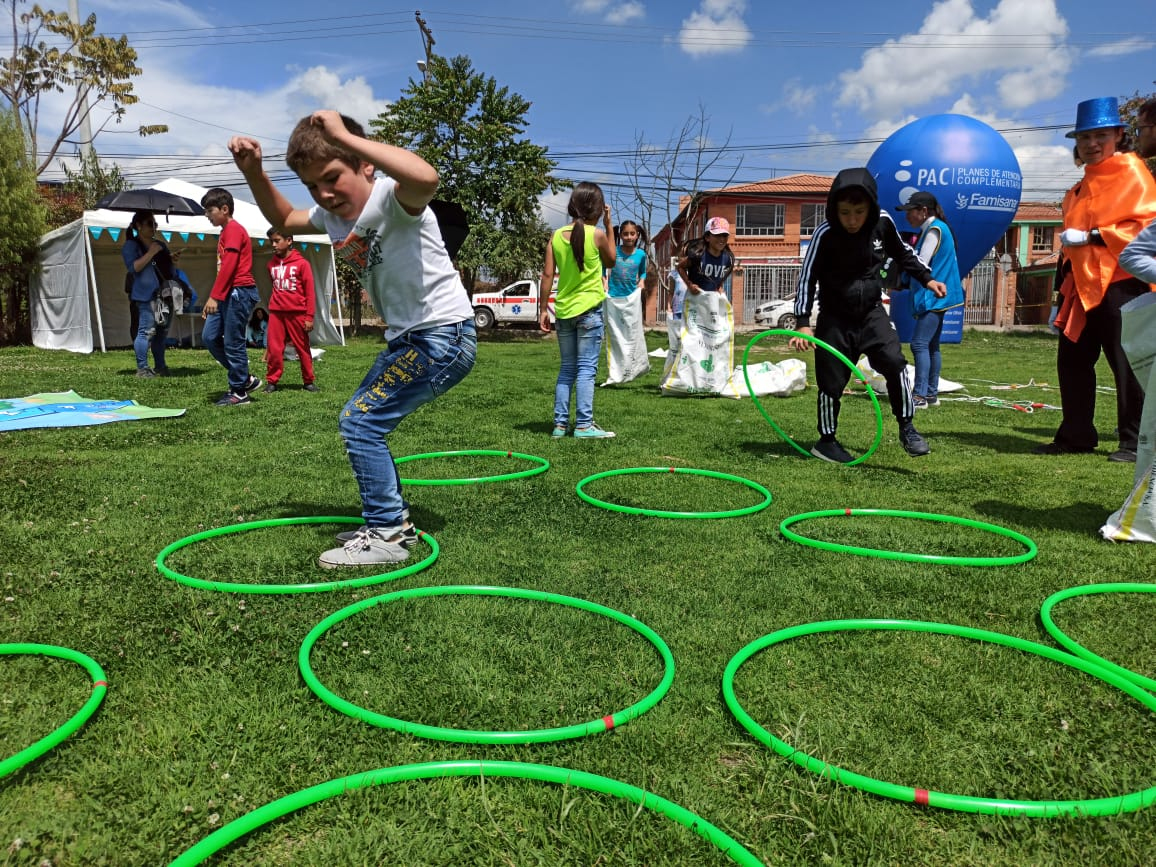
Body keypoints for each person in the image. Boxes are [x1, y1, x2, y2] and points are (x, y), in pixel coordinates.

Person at [229, 110, 476, 568]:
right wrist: (255, 173)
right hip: (411, 340)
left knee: (360, 422)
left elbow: (428, 177)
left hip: (442, 333)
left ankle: (386, 534)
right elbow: (283, 216)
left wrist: (346, 136)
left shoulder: (392, 199)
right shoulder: (331, 216)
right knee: (362, 421)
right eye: (312, 186)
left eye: (331, 177)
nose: (323, 193)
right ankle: (392, 522)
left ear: (365, 165)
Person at [788, 168, 946, 463]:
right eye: (845, 212)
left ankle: (907, 427)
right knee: (830, 383)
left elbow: (903, 254)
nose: (852, 220)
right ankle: (826, 440)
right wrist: (802, 323)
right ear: (834, 209)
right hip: (835, 319)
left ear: (870, 208)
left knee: (896, 364)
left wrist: (927, 279)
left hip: (872, 314)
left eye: (859, 212)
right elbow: (807, 277)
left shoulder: (882, 223)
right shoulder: (826, 234)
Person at [1036, 96, 1156, 463]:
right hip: (1082, 287)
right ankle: (1076, 434)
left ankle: (1133, 442)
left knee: (1127, 362)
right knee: (1072, 360)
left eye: (1099, 136)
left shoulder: (1133, 174)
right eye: (1084, 137)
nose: (1090, 144)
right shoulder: (1080, 187)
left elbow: (1144, 229)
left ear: (1119, 135)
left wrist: (1092, 237)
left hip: (1123, 284)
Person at [539, 181, 616, 437]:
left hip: (564, 312)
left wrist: (542, 310)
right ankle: (583, 425)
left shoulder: (555, 236)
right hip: (589, 313)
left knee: (567, 369)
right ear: (597, 208)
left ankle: (560, 425)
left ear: (572, 206)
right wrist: (608, 225)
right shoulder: (598, 235)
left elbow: (547, 275)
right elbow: (612, 260)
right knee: (586, 369)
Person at [897, 191, 965, 409]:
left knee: (919, 344)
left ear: (923, 211)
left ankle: (919, 396)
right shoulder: (935, 229)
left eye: (910, 211)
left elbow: (921, 264)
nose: (907, 217)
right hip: (940, 296)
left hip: (934, 296)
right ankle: (931, 394)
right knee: (932, 345)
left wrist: (899, 274)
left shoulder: (934, 230)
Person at [200, 187, 262, 406]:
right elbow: (223, 269)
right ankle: (244, 378)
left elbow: (230, 265)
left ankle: (239, 392)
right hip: (226, 292)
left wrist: (214, 297)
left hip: (238, 292)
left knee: (233, 342)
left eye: (209, 210)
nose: (207, 215)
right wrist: (214, 297)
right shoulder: (225, 231)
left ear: (224, 209)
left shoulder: (234, 230)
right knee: (209, 337)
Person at [263, 229, 318, 392]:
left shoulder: (302, 264)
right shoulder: (270, 264)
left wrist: (309, 317)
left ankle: (308, 381)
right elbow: (273, 286)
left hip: (298, 313)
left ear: (289, 241)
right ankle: (272, 381)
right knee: (274, 348)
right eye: (271, 241)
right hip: (276, 313)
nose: (273, 244)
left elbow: (310, 292)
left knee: (302, 348)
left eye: (277, 240)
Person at [122, 210, 171, 377]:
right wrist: (151, 252)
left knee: (161, 333)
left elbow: (166, 267)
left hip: (164, 294)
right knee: (146, 331)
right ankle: (142, 368)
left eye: (155, 224)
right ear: (138, 226)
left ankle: (160, 366)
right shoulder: (131, 245)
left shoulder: (161, 245)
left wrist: (171, 259)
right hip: (145, 296)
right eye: (150, 223)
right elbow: (133, 267)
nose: (154, 227)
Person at [602, 219, 650, 386]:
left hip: (631, 301)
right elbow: (603, 266)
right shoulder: (614, 251)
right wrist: (604, 279)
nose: (629, 237)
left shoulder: (641, 255)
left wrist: (642, 282)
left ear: (637, 235)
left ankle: (633, 367)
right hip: (614, 299)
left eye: (632, 233)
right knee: (615, 336)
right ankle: (615, 371)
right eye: (625, 234)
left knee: (631, 336)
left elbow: (643, 272)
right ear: (620, 235)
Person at [677, 217, 735, 297]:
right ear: (707, 237)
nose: (721, 239)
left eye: (725, 235)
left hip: (712, 301)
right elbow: (680, 267)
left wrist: (719, 287)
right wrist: (689, 285)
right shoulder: (698, 255)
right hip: (694, 301)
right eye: (717, 235)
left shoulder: (727, 259)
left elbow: (719, 277)